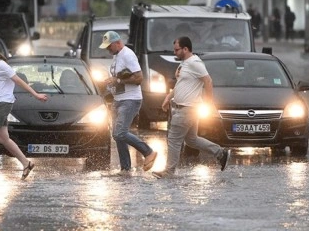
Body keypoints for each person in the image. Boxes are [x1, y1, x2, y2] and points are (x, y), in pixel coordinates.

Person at [152, 36, 231, 179]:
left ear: (185, 49)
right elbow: (181, 85)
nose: (174, 53)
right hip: (187, 108)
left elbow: (208, 81)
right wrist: (169, 97)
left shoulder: (195, 63)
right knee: (191, 140)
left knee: (174, 139)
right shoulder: (185, 64)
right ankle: (221, 153)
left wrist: (209, 102)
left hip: (187, 108)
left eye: (177, 50)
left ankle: (169, 172)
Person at [0, 43, 48, 181]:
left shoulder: (2, 66)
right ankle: (26, 163)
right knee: (3, 138)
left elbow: (19, 81)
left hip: (3, 103)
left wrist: (36, 94)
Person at [99, 31, 158, 175]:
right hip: (118, 99)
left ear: (117, 43)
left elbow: (139, 78)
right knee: (116, 135)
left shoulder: (128, 55)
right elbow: (119, 78)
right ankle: (125, 169)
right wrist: (109, 83)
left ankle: (148, 152)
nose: (108, 49)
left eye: (109, 46)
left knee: (120, 133)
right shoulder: (117, 57)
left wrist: (118, 80)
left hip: (130, 99)